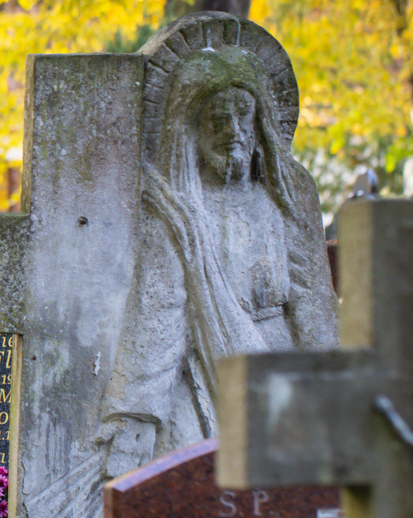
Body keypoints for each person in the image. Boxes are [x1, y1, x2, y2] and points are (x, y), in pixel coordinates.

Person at [96, 45, 338, 479]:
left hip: (277, 366)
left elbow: (313, 301)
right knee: (192, 490)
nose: (232, 130)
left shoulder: (289, 194)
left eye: (242, 114)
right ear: (191, 125)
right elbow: (160, 309)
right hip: (201, 372)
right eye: (217, 117)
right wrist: (137, 412)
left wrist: (336, 385)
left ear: (261, 121)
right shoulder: (175, 209)